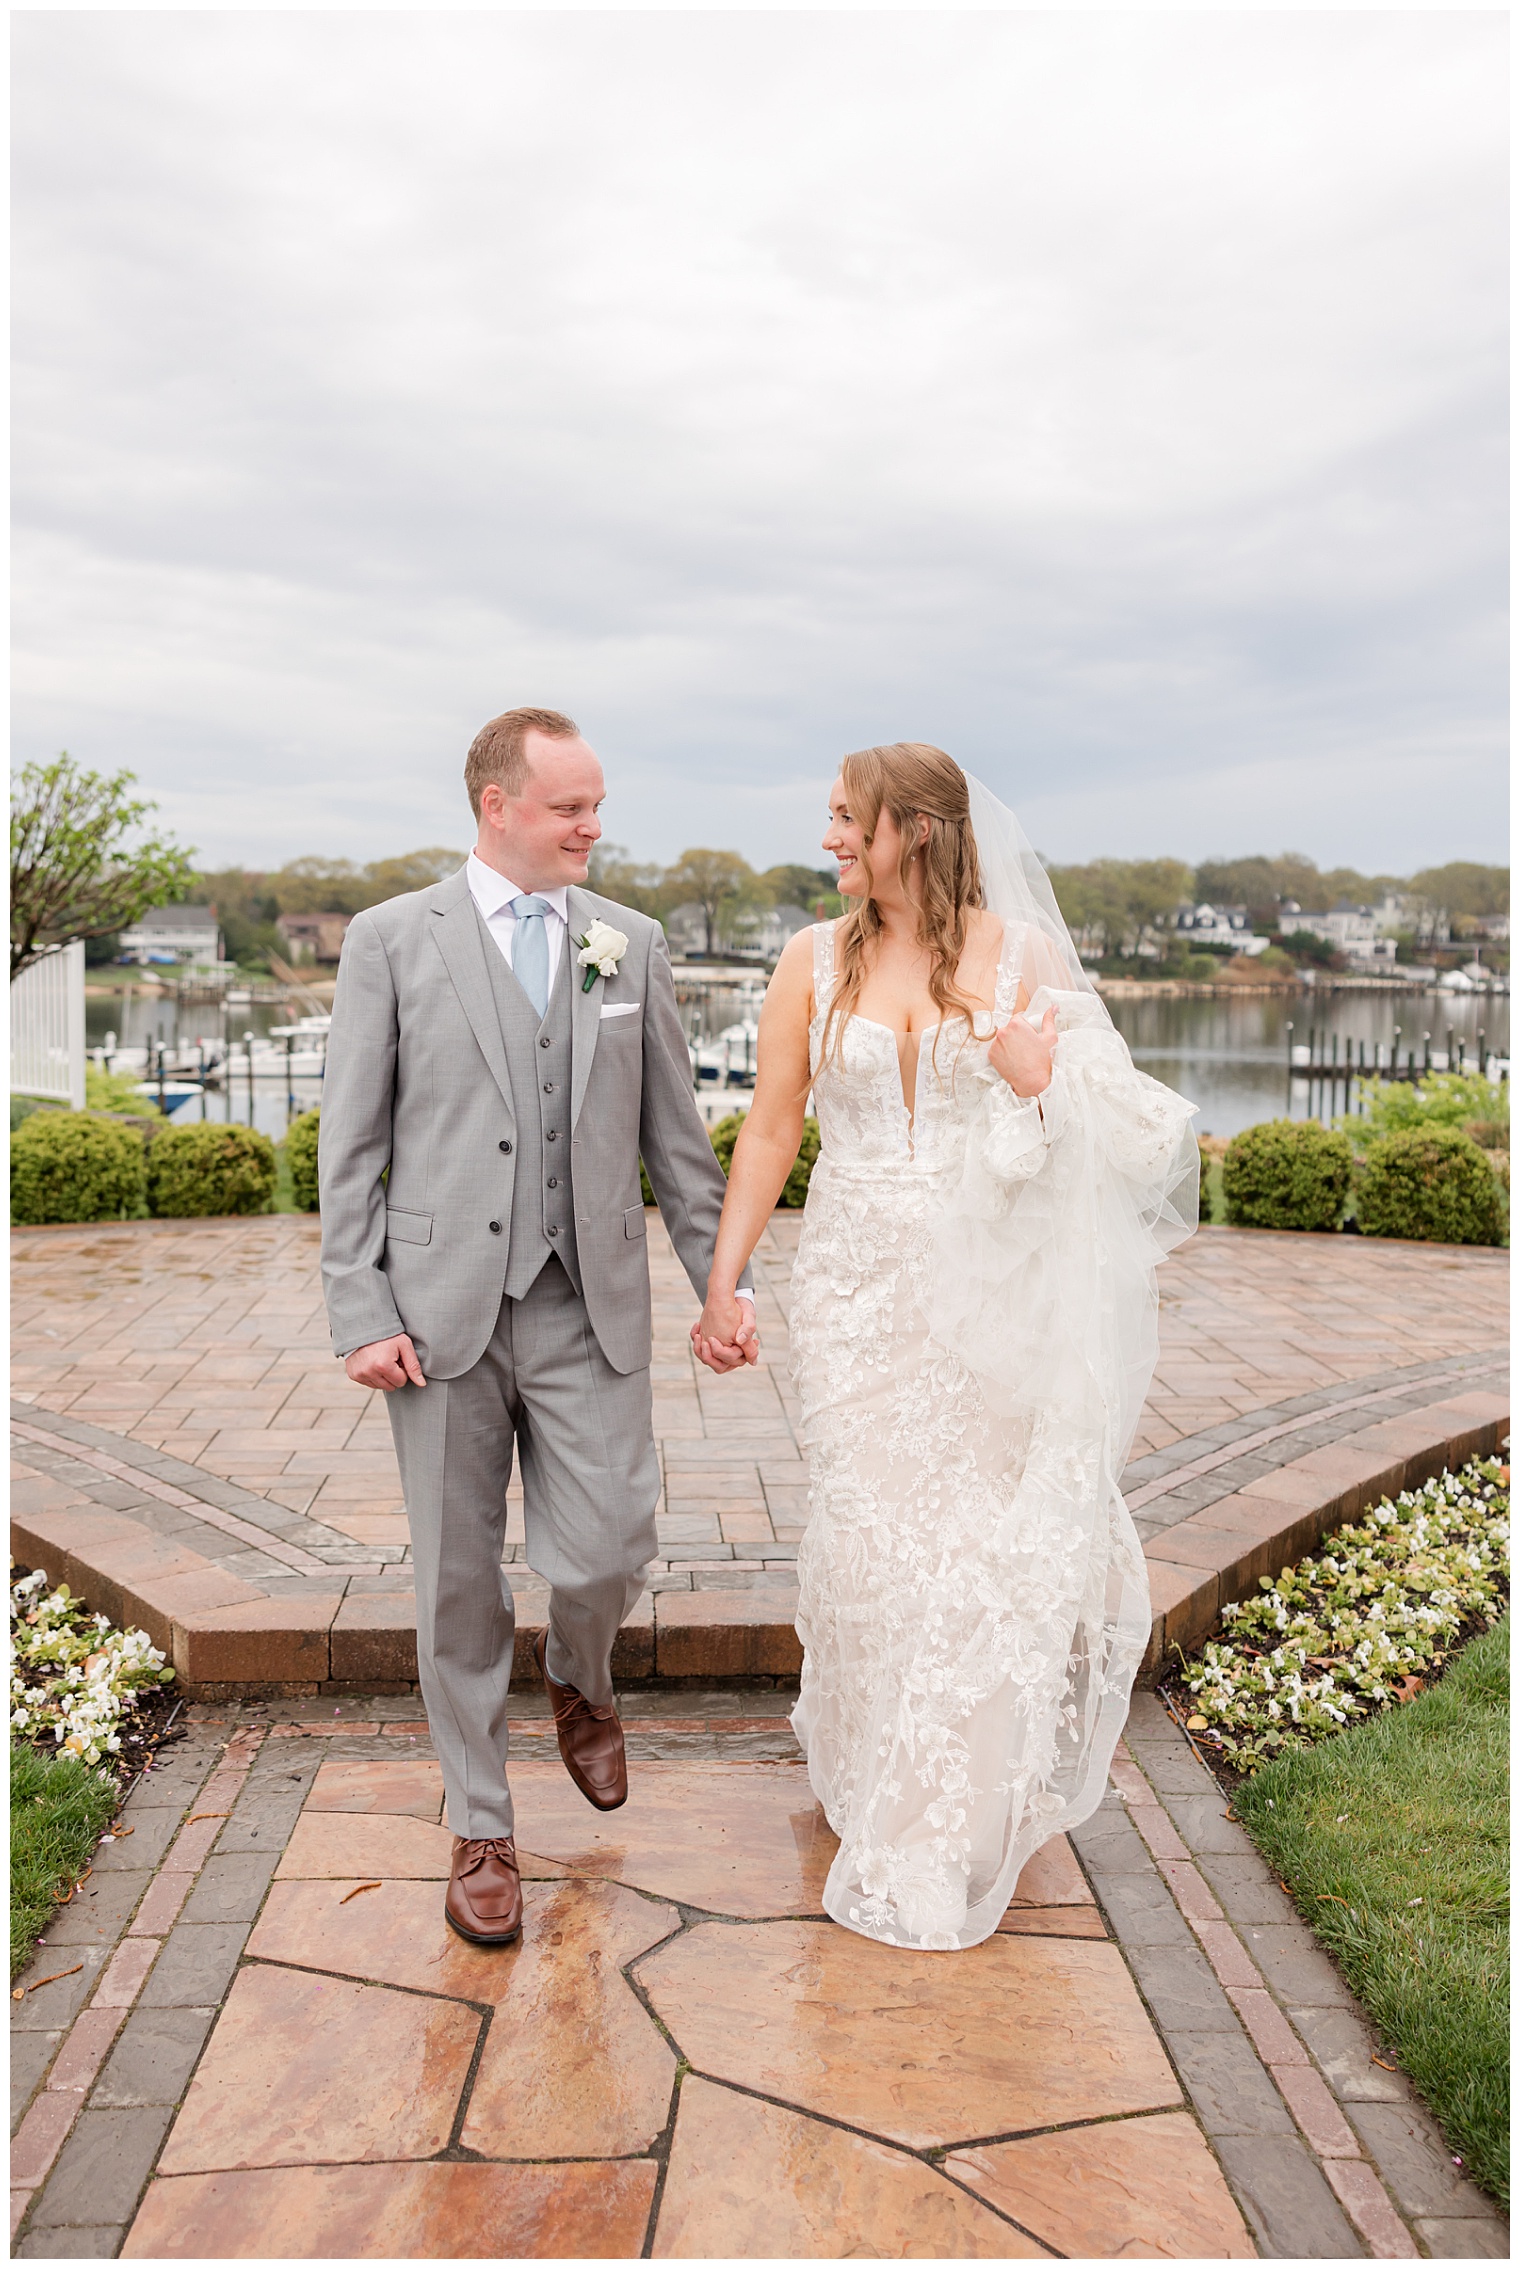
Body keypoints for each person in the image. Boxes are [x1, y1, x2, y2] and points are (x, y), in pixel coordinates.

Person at [695, 742, 1197, 1950]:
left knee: (967, 1545)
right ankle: (873, 1762)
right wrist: (725, 1277)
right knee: (870, 1535)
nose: (825, 838)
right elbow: (770, 1128)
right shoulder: (807, 960)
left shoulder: (1016, 956)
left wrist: (1034, 1083)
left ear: (910, 829)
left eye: (841, 818)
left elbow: (1124, 1139)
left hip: (989, 1293)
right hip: (853, 1291)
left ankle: (941, 1814)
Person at [319, 705, 756, 1949]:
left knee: (613, 1540)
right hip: (438, 1315)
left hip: (588, 1302)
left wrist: (717, 1287)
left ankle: (578, 1671)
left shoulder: (631, 942)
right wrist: (360, 1308)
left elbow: (677, 1139)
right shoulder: (389, 941)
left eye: (595, 803)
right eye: (570, 806)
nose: (592, 826)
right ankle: (479, 1825)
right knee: (456, 1579)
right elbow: (348, 1144)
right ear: (496, 806)